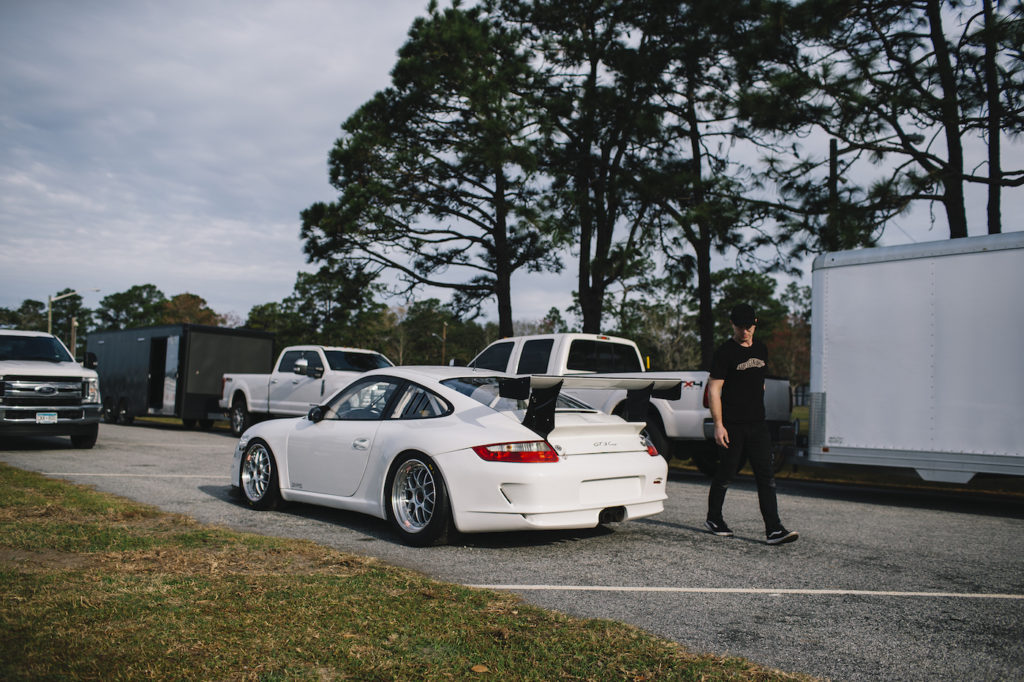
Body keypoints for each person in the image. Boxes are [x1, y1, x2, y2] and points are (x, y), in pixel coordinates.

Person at [705, 303, 798, 545]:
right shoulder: (725, 352)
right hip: (732, 425)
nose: (744, 332)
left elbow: (760, 383)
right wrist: (718, 424)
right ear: (732, 325)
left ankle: (774, 529)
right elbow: (714, 390)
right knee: (726, 474)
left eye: (748, 327)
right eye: (739, 327)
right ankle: (714, 518)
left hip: (758, 424)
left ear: (755, 324)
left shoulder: (761, 349)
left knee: (766, 477)